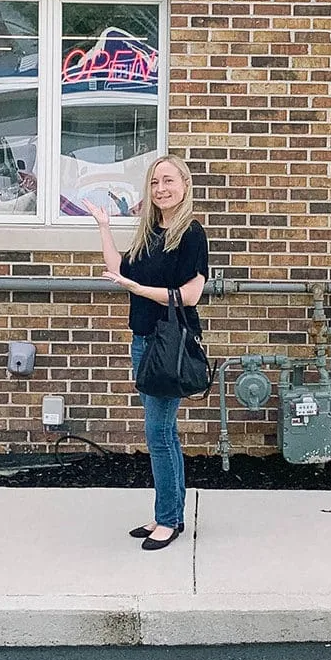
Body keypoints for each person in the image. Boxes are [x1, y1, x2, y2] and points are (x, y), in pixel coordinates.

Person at [83, 156, 209, 552]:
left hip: (168, 343)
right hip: (143, 340)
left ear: (185, 184)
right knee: (162, 431)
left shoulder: (191, 233)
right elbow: (120, 269)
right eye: (155, 182)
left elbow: (190, 295)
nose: (161, 189)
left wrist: (139, 292)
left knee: (158, 432)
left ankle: (169, 519)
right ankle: (167, 513)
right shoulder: (151, 231)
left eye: (168, 180)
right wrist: (104, 228)